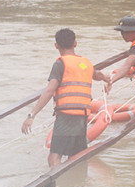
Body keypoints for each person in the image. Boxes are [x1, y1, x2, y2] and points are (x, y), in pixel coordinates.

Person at [22, 28, 111, 167]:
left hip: (66, 116)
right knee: (77, 155)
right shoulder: (85, 63)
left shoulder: (60, 64)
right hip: (82, 115)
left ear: (56, 45)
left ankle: (56, 186)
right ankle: (79, 184)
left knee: (54, 157)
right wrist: (107, 79)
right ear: (75, 43)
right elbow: (98, 74)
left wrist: (31, 115)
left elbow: (49, 90)